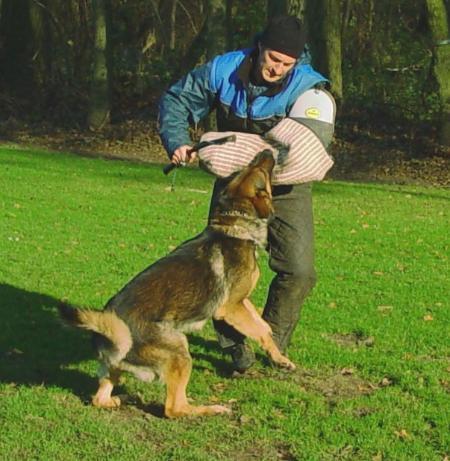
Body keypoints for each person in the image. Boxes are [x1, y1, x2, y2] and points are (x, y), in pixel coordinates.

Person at [158, 15, 334, 373]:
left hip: (286, 186)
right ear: (260, 47)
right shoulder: (223, 69)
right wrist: (177, 141)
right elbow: (177, 99)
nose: (277, 69)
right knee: (219, 273)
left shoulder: (310, 89)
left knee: (299, 271)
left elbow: (307, 148)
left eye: (286, 63)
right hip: (235, 187)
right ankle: (236, 347)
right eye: (273, 59)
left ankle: (273, 341)